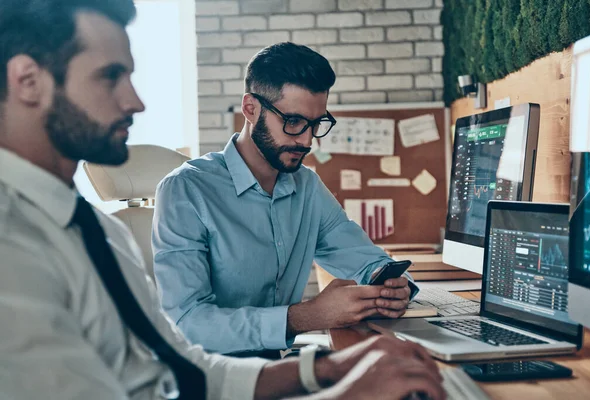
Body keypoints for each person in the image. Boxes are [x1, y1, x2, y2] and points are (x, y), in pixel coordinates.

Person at [0, 1, 447, 399]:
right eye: (110, 76)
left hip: (261, 365)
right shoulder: (14, 246)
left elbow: (182, 370)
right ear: (28, 80)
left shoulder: (98, 231)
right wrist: (338, 370)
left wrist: (325, 368)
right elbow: (189, 332)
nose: (136, 102)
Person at [152, 42, 418, 355]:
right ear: (250, 109)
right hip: (210, 378)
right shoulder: (186, 190)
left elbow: (366, 260)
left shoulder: (307, 187)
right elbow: (187, 324)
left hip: (274, 367)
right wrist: (306, 316)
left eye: (316, 124)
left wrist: (396, 287)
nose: (307, 140)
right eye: (293, 122)